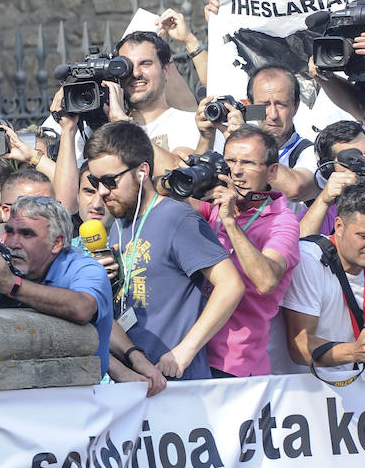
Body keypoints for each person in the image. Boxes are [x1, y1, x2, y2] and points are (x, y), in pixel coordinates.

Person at [83, 121, 244, 381]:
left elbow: (231, 285)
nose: (101, 191)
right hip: (134, 380)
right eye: (95, 181)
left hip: (179, 386)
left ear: (142, 171)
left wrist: (185, 351)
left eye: (110, 181)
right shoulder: (118, 223)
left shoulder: (177, 218)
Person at [186, 126, 300, 378]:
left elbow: (266, 281)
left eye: (247, 163)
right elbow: (164, 198)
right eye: (230, 161)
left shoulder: (282, 222)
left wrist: (230, 222)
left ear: (271, 171)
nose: (236, 171)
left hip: (233, 364)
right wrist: (190, 175)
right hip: (189, 350)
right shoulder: (214, 203)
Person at [0, 196, 115, 376]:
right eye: (10, 231)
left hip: (75, 394)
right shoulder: (1, 265)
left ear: (56, 242)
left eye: (27, 234)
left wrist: (11, 285)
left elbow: (82, 308)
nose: (13, 243)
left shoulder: (85, 268)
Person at [279, 178, 365, 382]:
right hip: (302, 391)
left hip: (355, 386)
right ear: (338, 225)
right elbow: (298, 346)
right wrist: (354, 352)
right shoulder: (309, 260)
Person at [194, 65, 319, 208]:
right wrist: (206, 137)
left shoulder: (309, 152)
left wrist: (248, 141)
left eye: (281, 105)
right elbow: (196, 188)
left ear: (295, 106)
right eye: (264, 105)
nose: (273, 115)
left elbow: (296, 188)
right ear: (250, 105)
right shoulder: (230, 143)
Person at [112, 31, 200, 158]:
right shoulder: (100, 126)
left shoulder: (189, 123)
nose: (135, 73)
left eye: (145, 64)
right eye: (128, 65)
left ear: (166, 70)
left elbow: (175, 171)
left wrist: (125, 128)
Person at [299, 120, 365, 237]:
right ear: (328, 168)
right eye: (353, 159)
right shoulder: (321, 212)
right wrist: (323, 202)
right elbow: (298, 249)